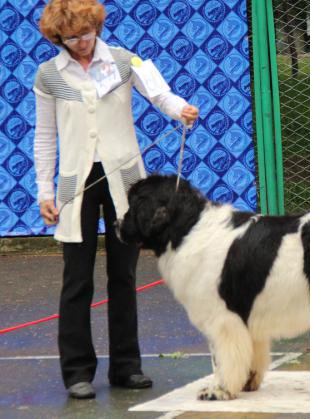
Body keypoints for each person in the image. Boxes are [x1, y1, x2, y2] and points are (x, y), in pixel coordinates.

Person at [34, 0, 199, 399]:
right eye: (71, 38)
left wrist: (182, 110)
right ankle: (77, 371)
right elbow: (44, 137)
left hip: (125, 184)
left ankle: (127, 367)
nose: (81, 43)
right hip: (77, 188)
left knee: (123, 276)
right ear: (58, 37)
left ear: (97, 26)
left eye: (86, 34)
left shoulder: (124, 61)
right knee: (77, 280)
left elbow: (161, 95)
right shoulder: (48, 76)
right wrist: (44, 191)